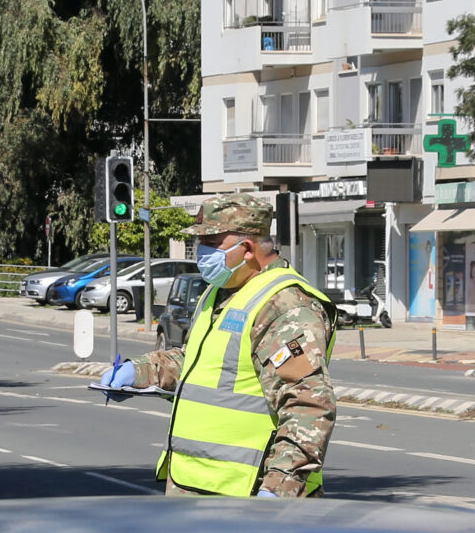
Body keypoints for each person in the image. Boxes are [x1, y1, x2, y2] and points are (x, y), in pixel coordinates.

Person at [101, 193, 338, 497]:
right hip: (197, 488)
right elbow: (201, 363)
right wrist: (140, 372)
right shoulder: (220, 292)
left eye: (212, 245)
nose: (202, 254)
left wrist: (279, 490)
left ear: (248, 249)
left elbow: (308, 406)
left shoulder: (285, 306)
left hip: (248, 499)